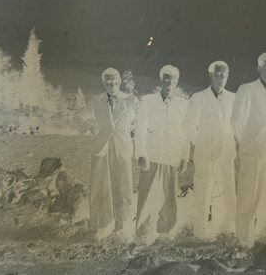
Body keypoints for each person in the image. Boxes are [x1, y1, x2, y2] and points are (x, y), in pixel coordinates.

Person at [231, 52, 266, 246]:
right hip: (252, 151)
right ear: (259, 68)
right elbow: (236, 121)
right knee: (249, 196)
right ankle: (244, 238)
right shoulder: (247, 89)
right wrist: (246, 144)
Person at [134, 65, 189, 244]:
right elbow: (140, 128)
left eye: (172, 79)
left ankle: (165, 232)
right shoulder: (148, 100)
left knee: (169, 196)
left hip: (172, 155)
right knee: (146, 194)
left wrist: (184, 156)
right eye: (166, 78)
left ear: (177, 81)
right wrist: (141, 153)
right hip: (151, 155)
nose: (169, 82)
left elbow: (185, 132)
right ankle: (143, 234)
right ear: (161, 79)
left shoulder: (183, 104)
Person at [184, 61, 237, 239]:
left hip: (226, 151)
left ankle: (225, 229)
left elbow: (236, 124)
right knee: (203, 191)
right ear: (211, 75)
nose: (221, 77)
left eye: (224, 74)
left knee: (226, 190)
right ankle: (201, 231)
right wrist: (200, 142)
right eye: (217, 74)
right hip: (205, 151)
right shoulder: (199, 97)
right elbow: (188, 125)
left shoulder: (233, 98)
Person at [89, 68, 137, 241]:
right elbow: (79, 117)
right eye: (108, 81)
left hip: (122, 147)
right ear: (103, 82)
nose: (112, 83)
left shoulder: (131, 100)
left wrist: (131, 132)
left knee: (124, 186)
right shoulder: (96, 100)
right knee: (101, 187)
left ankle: (123, 225)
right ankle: (103, 225)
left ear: (120, 81)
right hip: (102, 147)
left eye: (115, 80)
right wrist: (91, 128)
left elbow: (139, 121)